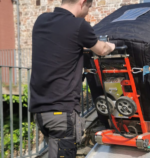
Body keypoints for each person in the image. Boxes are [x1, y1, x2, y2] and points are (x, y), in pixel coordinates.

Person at [29, 0, 115, 157]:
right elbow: (101, 49)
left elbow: (62, 47)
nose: (88, 12)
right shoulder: (79, 25)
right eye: (89, 7)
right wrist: (112, 46)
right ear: (82, 3)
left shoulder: (41, 20)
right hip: (61, 113)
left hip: (40, 112)